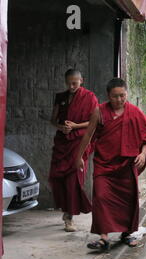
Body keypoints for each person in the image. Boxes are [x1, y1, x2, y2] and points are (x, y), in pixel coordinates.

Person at [75, 78, 146, 251]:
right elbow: (88, 136)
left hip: (126, 164)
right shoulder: (99, 111)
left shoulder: (134, 111)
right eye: (115, 96)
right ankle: (103, 238)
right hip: (104, 163)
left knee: (128, 199)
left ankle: (127, 233)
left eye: (122, 95)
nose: (119, 100)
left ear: (126, 94)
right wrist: (80, 156)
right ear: (108, 96)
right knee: (100, 196)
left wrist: (143, 153)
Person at [49, 69, 98, 232]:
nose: (71, 86)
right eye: (68, 83)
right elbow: (53, 120)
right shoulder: (61, 97)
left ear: (81, 81)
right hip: (62, 143)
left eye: (74, 83)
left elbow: (94, 121)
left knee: (73, 179)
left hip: (78, 143)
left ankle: (70, 217)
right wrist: (61, 127)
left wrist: (75, 126)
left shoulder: (89, 97)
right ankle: (65, 210)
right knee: (58, 178)